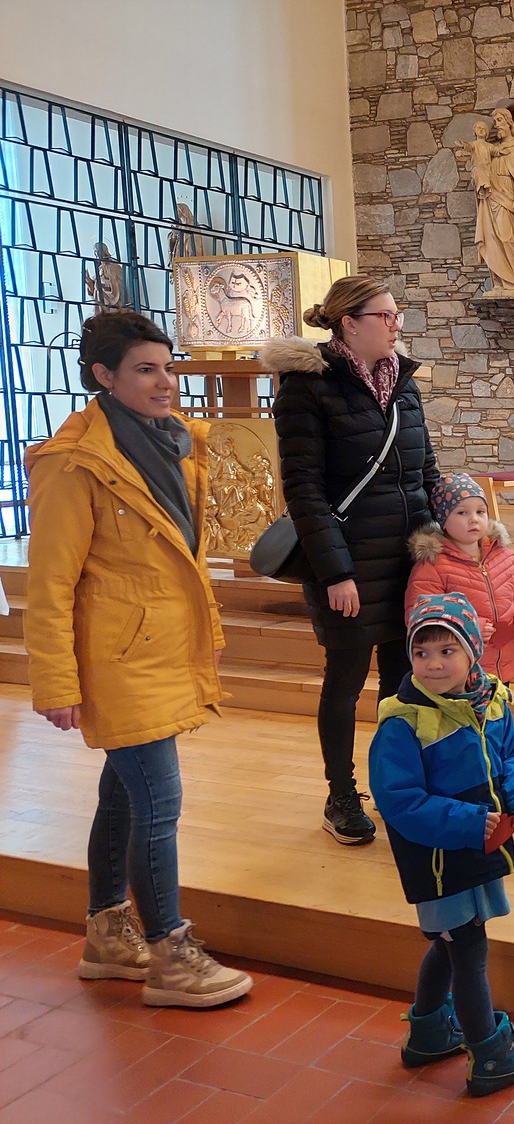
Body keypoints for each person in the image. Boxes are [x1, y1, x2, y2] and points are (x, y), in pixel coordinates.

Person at [25, 311, 252, 1008]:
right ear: (104, 375)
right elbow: (50, 582)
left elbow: (180, 558)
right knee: (159, 802)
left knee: (123, 794)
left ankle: (106, 937)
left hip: (162, 645)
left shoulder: (172, 443)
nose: (166, 382)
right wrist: (56, 681)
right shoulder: (74, 463)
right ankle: (170, 957)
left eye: (168, 366)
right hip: (119, 656)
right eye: (146, 369)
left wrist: (207, 632)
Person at [267, 275, 440, 846]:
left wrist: (453, 544)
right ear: (349, 323)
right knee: (345, 681)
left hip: (407, 562)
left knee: (401, 682)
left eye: (396, 315)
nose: (396, 325)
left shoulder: (404, 384)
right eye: (385, 315)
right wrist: (336, 572)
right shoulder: (307, 388)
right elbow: (305, 490)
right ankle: (340, 794)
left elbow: (426, 473)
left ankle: (397, 785)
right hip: (348, 562)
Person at [368, 593, 514, 1096]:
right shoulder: (403, 723)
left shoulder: (489, 701)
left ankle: (429, 1032)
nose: (433, 664)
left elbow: (511, 755)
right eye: (421, 652)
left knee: (450, 943)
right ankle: (491, 1055)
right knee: (469, 950)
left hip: (476, 847)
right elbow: (400, 802)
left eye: (446, 651)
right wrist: (472, 822)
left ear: (473, 652)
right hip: (438, 860)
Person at [407, 471, 514, 686]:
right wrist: (470, 626)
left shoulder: (506, 557)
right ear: (443, 519)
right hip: (461, 671)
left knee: (499, 706)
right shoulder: (432, 566)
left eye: (480, 511)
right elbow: (424, 616)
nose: (474, 519)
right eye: (462, 512)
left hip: (503, 663)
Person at [464, 103, 514, 298]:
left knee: (507, 237)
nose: (497, 125)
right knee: (492, 239)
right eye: (495, 122)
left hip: (507, 198)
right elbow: (481, 168)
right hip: (491, 197)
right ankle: (500, 283)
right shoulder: (493, 150)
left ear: (510, 123)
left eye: (500, 121)